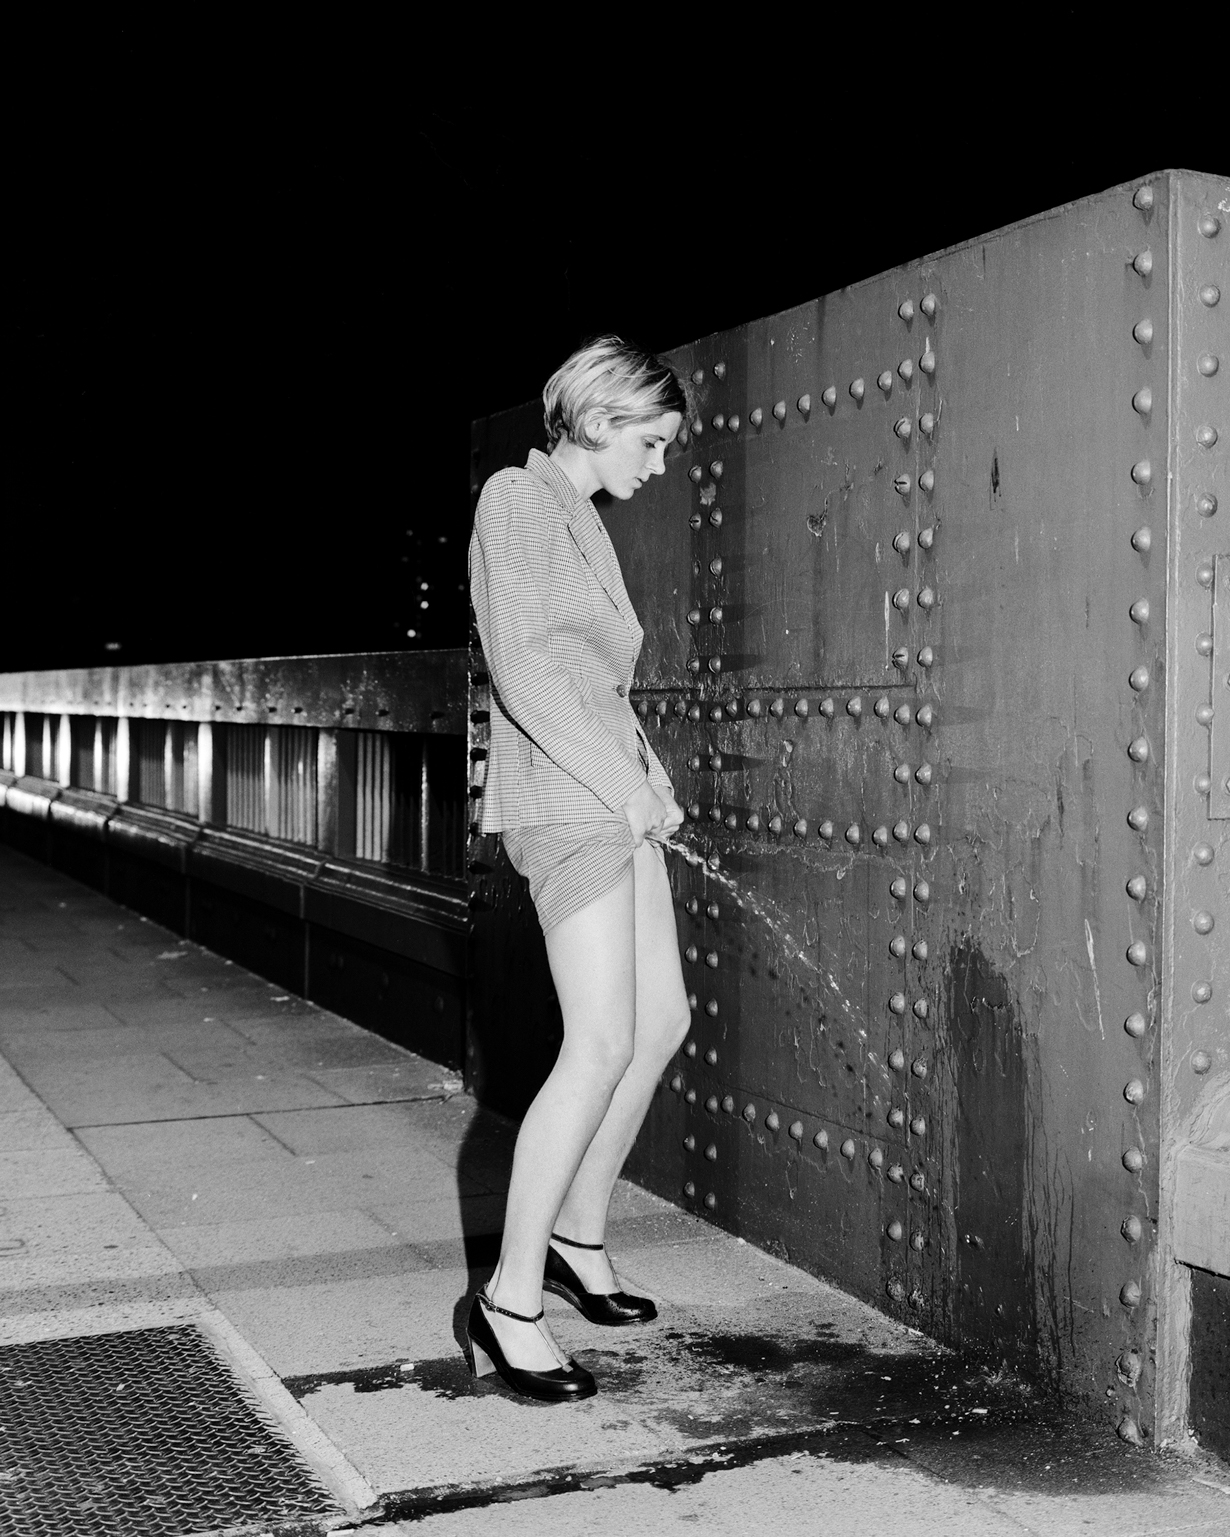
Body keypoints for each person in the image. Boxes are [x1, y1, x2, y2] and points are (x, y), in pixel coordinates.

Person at [466, 337, 690, 1401]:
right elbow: (523, 669)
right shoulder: (517, 499)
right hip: (565, 798)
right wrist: (619, 780)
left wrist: (649, 771)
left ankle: (578, 1236)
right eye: (652, 440)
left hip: (608, 786)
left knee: (660, 1025)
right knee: (597, 1039)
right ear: (601, 420)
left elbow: (594, 679)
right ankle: (509, 1300)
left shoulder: (582, 518)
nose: (659, 462)